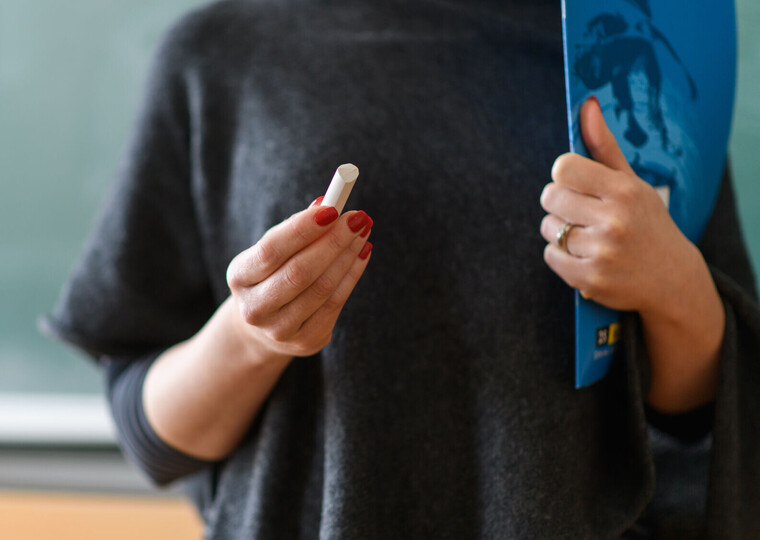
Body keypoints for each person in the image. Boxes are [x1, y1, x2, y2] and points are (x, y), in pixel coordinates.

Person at [41, 0, 760, 537]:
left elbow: (706, 415)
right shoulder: (217, 57)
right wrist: (251, 336)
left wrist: (673, 286)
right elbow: (152, 437)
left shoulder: (630, 40)